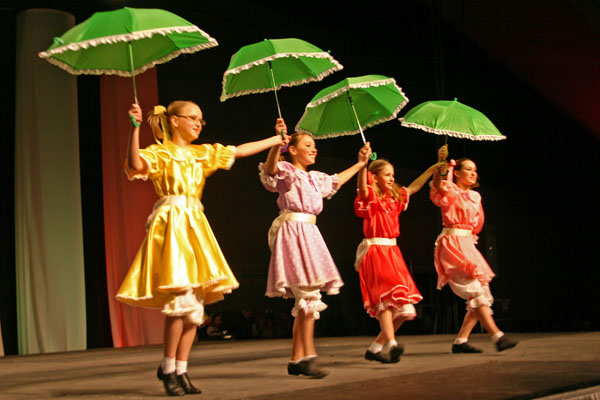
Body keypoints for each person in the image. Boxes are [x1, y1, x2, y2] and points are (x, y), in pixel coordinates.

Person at [117, 101, 287, 396]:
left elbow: (239, 150)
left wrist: (277, 138)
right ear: (173, 121)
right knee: (181, 300)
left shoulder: (201, 153)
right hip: (172, 225)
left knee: (195, 304)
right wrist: (134, 129)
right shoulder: (161, 152)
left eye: (201, 119)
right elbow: (135, 165)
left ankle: (181, 369)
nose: (198, 123)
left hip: (195, 226)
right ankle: (168, 367)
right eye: (192, 118)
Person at [259, 122, 371, 378]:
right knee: (307, 295)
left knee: (307, 298)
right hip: (293, 234)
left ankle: (297, 358)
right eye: (308, 145)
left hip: (310, 234)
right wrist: (278, 142)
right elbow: (270, 170)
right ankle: (308, 355)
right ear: (293, 150)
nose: (314, 150)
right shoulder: (286, 171)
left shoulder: (314, 178)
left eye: (315, 146)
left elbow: (336, 181)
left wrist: (360, 163)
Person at [355, 151, 447, 363]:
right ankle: (392, 343)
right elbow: (362, 187)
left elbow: (413, 187)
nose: (391, 178)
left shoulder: (393, 198)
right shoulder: (370, 196)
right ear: (374, 177)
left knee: (405, 310)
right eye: (387, 174)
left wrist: (432, 169)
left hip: (393, 253)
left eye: (392, 174)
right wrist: (362, 165)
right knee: (386, 301)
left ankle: (376, 347)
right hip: (376, 252)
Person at [430, 148, 518, 353]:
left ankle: (461, 341)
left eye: (475, 170)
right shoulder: (450, 190)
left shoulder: (475, 196)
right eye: (468, 169)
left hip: (468, 244)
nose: (473, 173)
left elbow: (477, 224)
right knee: (476, 291)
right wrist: (441, 164)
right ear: (457, 173)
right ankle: (497, 336)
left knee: (482, 295)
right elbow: (438, 185)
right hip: (452, 244)